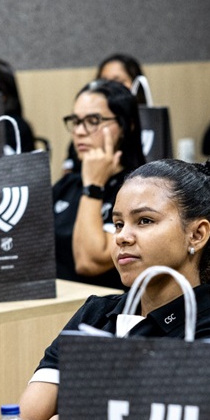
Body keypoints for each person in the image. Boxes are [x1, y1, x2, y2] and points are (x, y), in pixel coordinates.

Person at [21, 157, 210, 420]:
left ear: (196, 234)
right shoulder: (94, 315)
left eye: (144, 221)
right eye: (118, 223)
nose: (123, 237)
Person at [52, 79, 146, 288]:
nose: (79, 131)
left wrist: (94, 186)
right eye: (76, 121)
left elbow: (88, 262)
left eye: (93, 120)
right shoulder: (66, 185)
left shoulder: (141, 190)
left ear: (125, 126)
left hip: (107, 310)